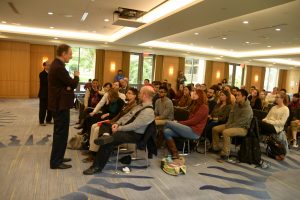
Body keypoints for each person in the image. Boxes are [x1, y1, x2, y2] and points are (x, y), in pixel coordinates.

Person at [83, 86, 155, 175]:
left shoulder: (148, 111)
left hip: (134, 135)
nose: (139, 94)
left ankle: (97, 167)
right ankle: (105, 136)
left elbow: (134, 126)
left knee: (110, 140)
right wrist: (117, 123)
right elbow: (126, 116)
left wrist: (119, 128)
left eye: (140, 93)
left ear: (145, 95)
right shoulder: (140, 106)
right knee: (105, 125)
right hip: (125, 129)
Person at [48, 44, 79, 169]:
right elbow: (71, 84)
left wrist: (68, 86)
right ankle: (56, 162)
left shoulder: (57, 65)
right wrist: (76, 76)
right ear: (64, 53)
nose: (71, 57)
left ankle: (59, 157)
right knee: (61, 133)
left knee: (61, 132)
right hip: (59, 105)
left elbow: (68, 86)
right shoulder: (59, 67)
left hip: (59, 103)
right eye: (70, 54)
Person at [163, 89, 208, 165]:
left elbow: (194, 121)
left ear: (199, 96)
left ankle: (159, 146)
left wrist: (179, 123)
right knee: (167, 131)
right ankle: (175, 153)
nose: (192, 94)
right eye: (193, 92)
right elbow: (190, 120)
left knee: (168, 123)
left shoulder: (204, 107)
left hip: (194, 132)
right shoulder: (194, 104)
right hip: (189, 128)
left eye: (195, 93)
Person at [212, 89, 253, 159]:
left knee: (226, 132)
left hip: (243, 128)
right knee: (215, 129)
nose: (236, 97)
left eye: (238, 95)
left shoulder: (247, 109)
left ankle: (225, 153)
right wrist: (228, 124)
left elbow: (240, 123)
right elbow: (231, 116)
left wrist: (229, 126)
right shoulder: (236, 105)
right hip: (232, 125)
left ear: (244, 97)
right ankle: (216, 147)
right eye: (236, 95)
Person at [38, 60, 52, 126]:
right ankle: (41, 121)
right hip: (43, 94)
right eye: (48, 65)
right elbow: (46, 82)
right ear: (44, 66)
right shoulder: (41, 74)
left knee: (50, 108)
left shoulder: (52, 73)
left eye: (50, 65)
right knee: (43, 108)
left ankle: (48, 120)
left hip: (51, 94)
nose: (49, 66)